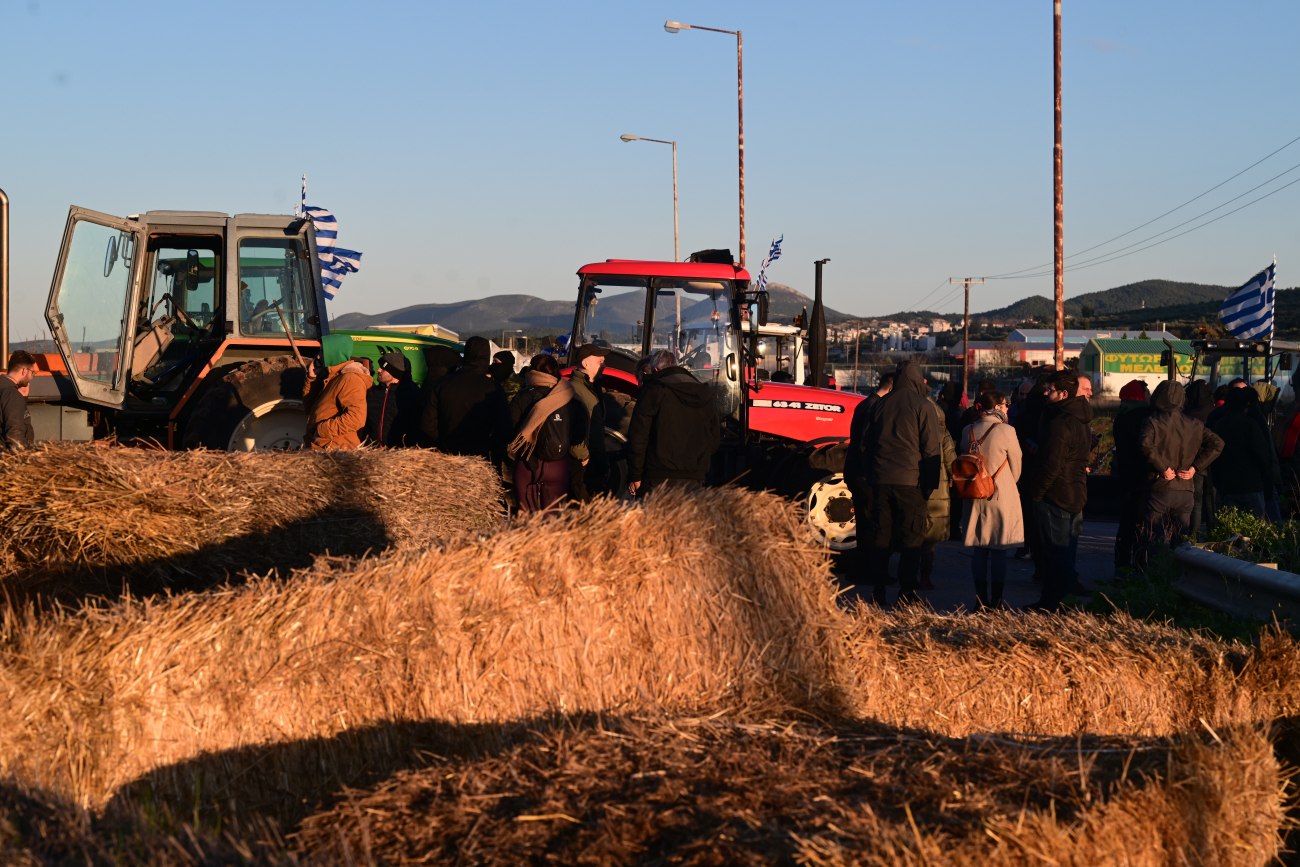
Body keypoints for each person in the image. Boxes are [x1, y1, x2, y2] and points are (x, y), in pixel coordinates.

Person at [855, 360, 941, 606]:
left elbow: (865, 445)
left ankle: (878, 589)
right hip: (911, 482)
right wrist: (928, 485)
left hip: (881, 480)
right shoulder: (923, 406)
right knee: (911, 538)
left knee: (881, 536)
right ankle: (906, 591)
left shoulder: (879, 405)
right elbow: (930, 449)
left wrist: (871, 475)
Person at [1024, 370, 1092, 611]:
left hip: (1056, 494)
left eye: (1050, 389)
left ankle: (1052, 602)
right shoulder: (1080, 420)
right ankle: (1060, 599)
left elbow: (1052, 464)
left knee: (1054, 552)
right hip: (1074, 491)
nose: (1046, 392)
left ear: (1063, 394)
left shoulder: (1060, 423)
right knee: (1065, 550)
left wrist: (1037, 493)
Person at [1138, 380, 1223, 555]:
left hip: (1161, 486)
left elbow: (1145, 444)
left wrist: (1162, 468)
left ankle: (1150, 575)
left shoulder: (1152, 421)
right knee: (1180, 540)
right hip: (1185, 489)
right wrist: (1195, 468)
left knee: (1153, 537)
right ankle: (1176, 576)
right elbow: (1217, 444)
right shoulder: (1195, 424)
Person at [959, 391, 1023, 609]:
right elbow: (1017, 464)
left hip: (973, 494)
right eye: (1005, 404)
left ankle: (980, 599)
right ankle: (997, 600)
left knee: (979, 548)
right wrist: (1007, 483)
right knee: (998, 549)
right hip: (999, 494)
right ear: (997, 407)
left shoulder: (967, 431)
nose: (1007, 408)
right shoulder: (1006, 431)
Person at [626, 349, 720, 496]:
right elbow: (714, 439)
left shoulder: (654, 390)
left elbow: (638, 436)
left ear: (656, 369)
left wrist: (635, 475)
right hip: (694, 477)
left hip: (657, 476)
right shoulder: (704, 392)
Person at [420, 335, 511, 462]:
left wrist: (438, 447)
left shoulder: (443, 384)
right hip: (481, 458)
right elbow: (503, 426)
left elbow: (428, 424)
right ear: (487, 356)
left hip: (447, 455)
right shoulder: (493, 388)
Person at [508, 353, 579, 511]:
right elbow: (579, 433)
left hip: (527, 463)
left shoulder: (522, 397)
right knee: (553, 517)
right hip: (559, 465)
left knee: (526, 518)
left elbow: (510, 428)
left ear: (531, 372)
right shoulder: (569, 396)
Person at [1209, 387, 1276, 518]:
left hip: (1227, 485)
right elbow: (1262, 455)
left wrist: (1218, 481)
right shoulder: (1251, 424)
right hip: (1252, 484)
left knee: (1230, 531)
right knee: (1254, 530)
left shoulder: (1219, 425)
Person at [1110, 379, 1153, 570]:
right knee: (1141, 521)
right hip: (1143, 476)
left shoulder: (1121, 416)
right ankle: (1140, 561)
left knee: (1126, 521)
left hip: (1125, 475)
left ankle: (1121, 561)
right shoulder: (1145, 417)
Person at [302, 336, 371, 450]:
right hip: (323, 446)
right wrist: (311, 378)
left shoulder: (350, 379)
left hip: (336, 450)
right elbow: (309, 408)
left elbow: (356, 418)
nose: (318, 356)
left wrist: (322, 430)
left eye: (322, 351)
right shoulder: (332, 377)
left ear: (334, 353)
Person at [568, 343, 610, 501]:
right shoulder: (577, 391)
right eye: (600, 361)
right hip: (583, 465)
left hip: (591, 462)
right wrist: (582, 455)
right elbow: (573, 426)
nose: (604, 365)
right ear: (585, 363)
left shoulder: (589, 388)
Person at [363, 352, 421, 447]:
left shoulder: (411, 394)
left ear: (394, 372)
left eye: (383, 368)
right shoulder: (372, 392)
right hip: (371, 452)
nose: (378, 370)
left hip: (399, 454)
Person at [0, 350, 36, 452]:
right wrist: (21, 460)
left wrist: (23, 398)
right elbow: (15, 435)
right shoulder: (12, 395)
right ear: (24, 371)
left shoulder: (5, 389)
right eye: (32, 372)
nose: (32, 377)